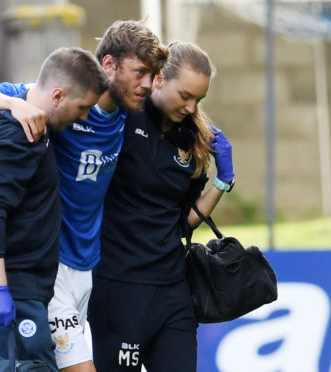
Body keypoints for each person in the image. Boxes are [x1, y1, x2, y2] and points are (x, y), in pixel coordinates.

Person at [0, 20, 168, 372]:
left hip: (89, 267)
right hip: (50, 267)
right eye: (140, 72)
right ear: (109, 66)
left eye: (153, 75)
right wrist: (15, 104)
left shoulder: (131, 112)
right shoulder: (63, 103)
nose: (147, 84)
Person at [0, 46, 108, 372]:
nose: (84, 117)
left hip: (24, 287)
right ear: (57, 95)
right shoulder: (16, 132)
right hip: (12, 286)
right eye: (82, 107)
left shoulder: (34, 120)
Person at [88, 41, 235, 371]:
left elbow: (185, 221)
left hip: (172, 289)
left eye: (199, 99)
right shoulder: (121, 117)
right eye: (185, 95)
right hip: (119, 286)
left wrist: (223, 181)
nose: (191, 107)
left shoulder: (192, 140)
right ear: (158, 80)